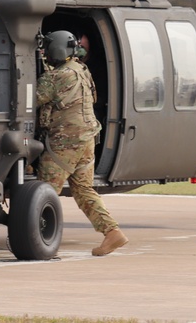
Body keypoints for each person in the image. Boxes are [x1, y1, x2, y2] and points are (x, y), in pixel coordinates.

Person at [35, 30, 128, 256]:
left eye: (47, 49)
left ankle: (35, 237)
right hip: (87, 141)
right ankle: (112, 231)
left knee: (43, 191)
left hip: (66, 143)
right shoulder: (81, 69)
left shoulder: (55, 77)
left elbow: (33, 99)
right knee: (84, 190)